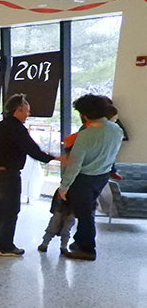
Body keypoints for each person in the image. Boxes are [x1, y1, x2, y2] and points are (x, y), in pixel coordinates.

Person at [0, 94, 65, 257]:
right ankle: (5, 246)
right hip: (7, 175)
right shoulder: (17, 128)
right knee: (11, 210)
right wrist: (54, 158)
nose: (28, 114)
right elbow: (32, 150)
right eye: (26, 111)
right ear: (17, 110)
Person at [58, 94, 124, 261]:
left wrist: (64, 187)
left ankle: (87, 249)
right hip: (101, 177)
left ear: (85, 114)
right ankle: (80, 241)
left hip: (84, 180)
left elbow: (75, 164)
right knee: (88, 210)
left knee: (84, 214)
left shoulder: (86, 135)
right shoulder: (116, 130)